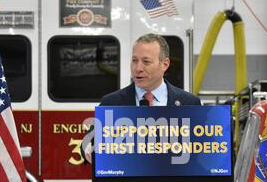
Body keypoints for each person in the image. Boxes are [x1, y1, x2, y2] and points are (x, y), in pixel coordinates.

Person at [82, 33, 201, 163]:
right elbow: (88, 144)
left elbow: (202, 150)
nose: (138, 68)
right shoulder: (111, 102)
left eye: (146, 62)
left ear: (165, 64)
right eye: (134, 61)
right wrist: (89, 146)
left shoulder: (189, 103)